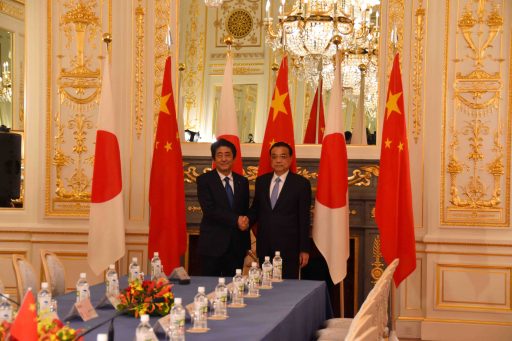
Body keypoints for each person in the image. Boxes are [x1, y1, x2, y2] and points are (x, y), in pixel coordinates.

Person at [248, 142, 312, 279]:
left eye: (283, 156)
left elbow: (304, 218)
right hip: (265, 245)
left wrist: (304, 249)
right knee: (265, 286)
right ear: (270, 159)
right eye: (274, 156)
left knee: (287, 289)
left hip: (290, 247)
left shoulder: (301, 184)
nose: (278, 160)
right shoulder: (261, 181)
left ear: (290, 159)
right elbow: (256, 209)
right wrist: (245, 220)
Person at [196, 138, 250, 276]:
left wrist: (246, 242)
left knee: (233, 287)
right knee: (208, 287)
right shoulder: (204, 180)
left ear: (234, 158)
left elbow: (244, 210)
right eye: (219, 155)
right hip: (212, 244)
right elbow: (209, 209)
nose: (224, 159)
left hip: (236, 246)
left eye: (228, 155)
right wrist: (236, 219)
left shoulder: (242, 181)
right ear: (214, 158)